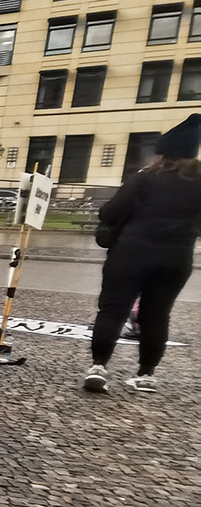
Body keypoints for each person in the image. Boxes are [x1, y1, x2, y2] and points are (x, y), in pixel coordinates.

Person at [84, 114, 201, 394]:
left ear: (162, 153)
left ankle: (99, 367)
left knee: (112, 310)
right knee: (158, 315)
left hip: (131, 254)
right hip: (176, 259)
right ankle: (146, 374)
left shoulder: (145, 179)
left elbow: (110, 212)